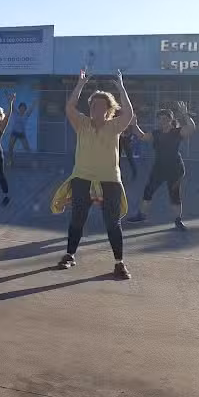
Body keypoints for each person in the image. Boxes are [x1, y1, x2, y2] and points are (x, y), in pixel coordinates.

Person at [50, 70, 134, 280]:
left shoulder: (115, 126)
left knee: (112, 222)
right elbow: (69, 107)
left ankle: (119, 263)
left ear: (109, 109)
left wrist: (121, 88)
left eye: (101, 105)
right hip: (82, 178)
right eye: (93, 105)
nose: (96, 108)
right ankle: (69, 255)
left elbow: (129, 114)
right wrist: (80, 84)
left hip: (110, 180)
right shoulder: (82, 124)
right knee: (77, 218)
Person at [126, 103, 196, 230]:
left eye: (165, 119)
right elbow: (142, 136)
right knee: (148, 191)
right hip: (159, 167)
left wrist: (185, 115)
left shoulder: (177, 132)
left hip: (175, 168)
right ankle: (142, 215)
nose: (162, 121)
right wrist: (134, 124)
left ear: (171, 120)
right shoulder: (156, 133)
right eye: (160, 119)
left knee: (174, 194)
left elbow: (191, 128)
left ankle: (177, 220)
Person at [7, 100, 36, 166]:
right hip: (14, 132)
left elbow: (31, 109)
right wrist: (9, 99)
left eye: (23, 108)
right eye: (21, 108)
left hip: (22, 133)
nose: (22, 109)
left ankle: (33, 162)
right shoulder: (16, 113)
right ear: (19, 108)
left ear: (25, 109)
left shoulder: (26, 115)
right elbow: (12, 106)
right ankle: (10, 161)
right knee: (10, 147)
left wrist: (34, 103)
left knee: (27, 148)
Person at [118, 113, 138, 181]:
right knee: (118, 157)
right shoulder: (119, 115)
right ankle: (119, 174)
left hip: (126, 138)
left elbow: (133, 128)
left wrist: (131, 137)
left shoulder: (131, 115)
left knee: (129, 156)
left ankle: (135, 172)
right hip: (120, 138)